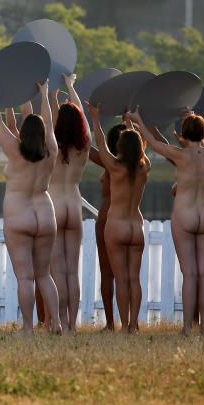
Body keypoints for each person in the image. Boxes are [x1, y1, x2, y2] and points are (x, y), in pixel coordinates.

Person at [0, 78, 62, 335]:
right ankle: (56, 323)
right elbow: (48, 122)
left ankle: (28, 327)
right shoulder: (51, 149)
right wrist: (44, 94)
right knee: (44, 274)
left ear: (23, 133)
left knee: (25, 277)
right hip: (45, 212)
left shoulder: (15, 150)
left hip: (19, 213)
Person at [127, 110, 204, 336]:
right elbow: (202, 141)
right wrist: (193, 118)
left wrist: (139, 120)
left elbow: (153, 142)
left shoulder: (180, 155)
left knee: (190, 274)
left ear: (184, 134)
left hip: (185, 213)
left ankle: (186, 328)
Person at [88, 107, 148, 333]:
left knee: (121, 279)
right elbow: (141, 146)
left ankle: (123, 327)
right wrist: (132, 123)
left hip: (116, 226)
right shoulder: (144, 168)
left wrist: (96, 119)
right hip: (136, 226)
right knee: (134, 279)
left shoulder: (113, 167)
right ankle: (134, 325)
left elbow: (100, 142)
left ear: (120, 147)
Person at [47, 74, 91, 333]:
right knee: (72, 271)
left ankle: (59, 321)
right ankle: (72, 325)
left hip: (54, 206)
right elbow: (82, 117)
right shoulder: (84, 147)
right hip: (74, 206)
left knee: (56, 270)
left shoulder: (52, 145)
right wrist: (71, 87)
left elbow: (51, 121)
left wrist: (51, 97)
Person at [88, 122, 127, 331]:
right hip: (127, 221)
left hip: (107, 219)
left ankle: (111, 323)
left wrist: (92, 121)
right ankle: (128, 323)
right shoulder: (138, 164)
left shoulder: (109, 163)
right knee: (126, 275)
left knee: (108, 273)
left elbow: (88, 148)